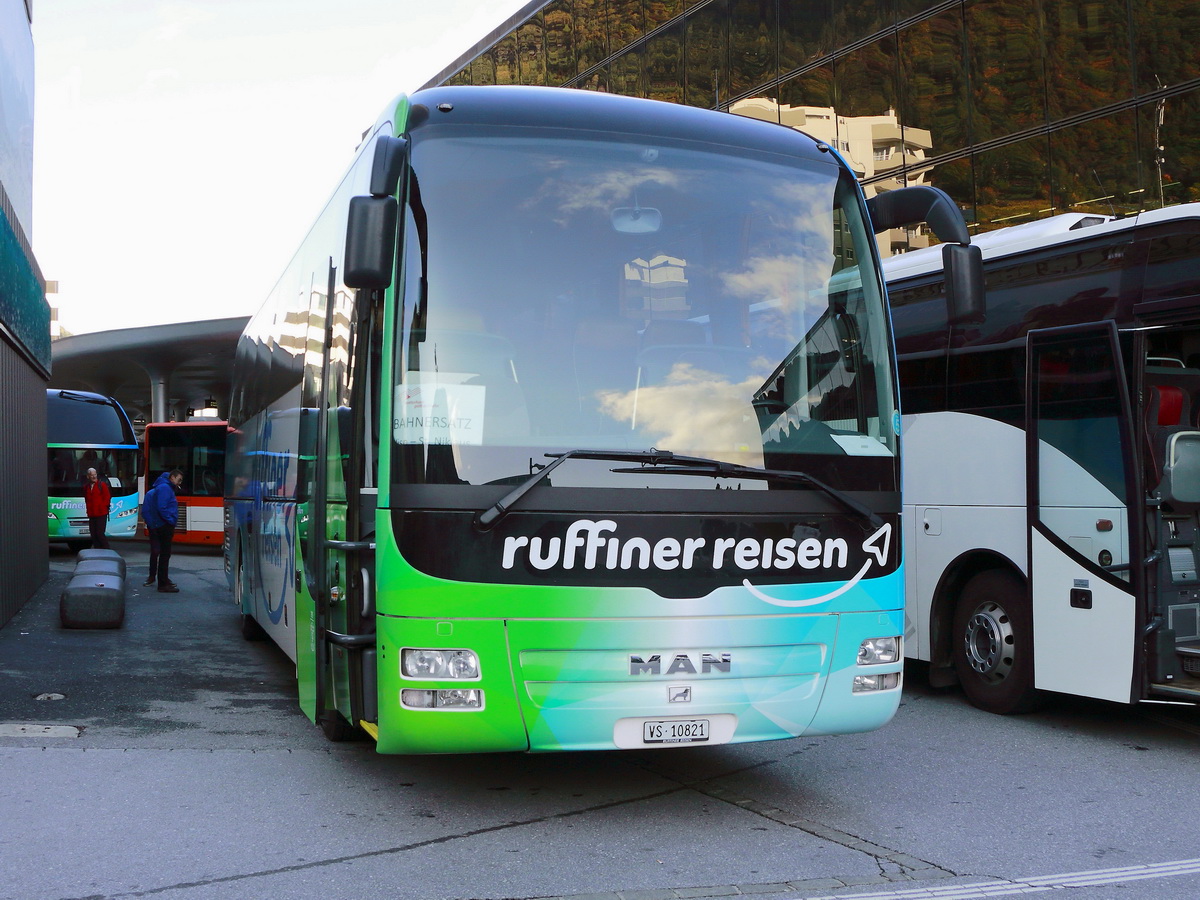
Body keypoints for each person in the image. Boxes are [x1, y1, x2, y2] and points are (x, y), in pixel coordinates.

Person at [143, 469, 183, 593]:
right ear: (172, 477)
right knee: (164, 554)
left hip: (156, 525)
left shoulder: (157, 490)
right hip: (162, 525)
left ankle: (158, 578)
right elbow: (161, 508)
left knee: (158, 552)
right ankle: (162, 582)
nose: (179, 483)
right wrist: (170, 520)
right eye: (179, 480)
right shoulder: (165, 488)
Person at [83, 467, 112, 549]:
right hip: (92, 514)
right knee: (93, 534)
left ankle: (107, 550)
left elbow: (107, 498)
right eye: (91, 475)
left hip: (101, 513)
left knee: (100, 533)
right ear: (88, 476)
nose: (94, 476)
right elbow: (87, 499)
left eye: (95, 474)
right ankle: (97, 551)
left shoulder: (102, 485)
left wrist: (102, 507)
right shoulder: (86, 487)